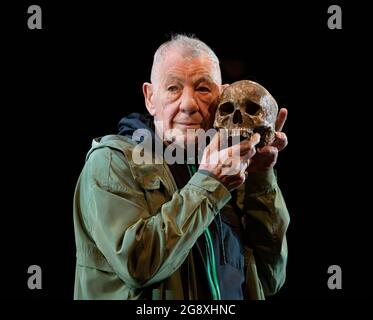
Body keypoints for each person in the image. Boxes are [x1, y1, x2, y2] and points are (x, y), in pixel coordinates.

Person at [73, 34, 290, 300]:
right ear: (150, 98)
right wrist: (210, 184)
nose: (188, 104)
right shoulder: (111, 162)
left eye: (202, 89)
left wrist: (259, 179)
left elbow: (270, 278)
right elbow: (138, 265)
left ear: (223, 98)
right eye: (173, 88)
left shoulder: (231, 171)